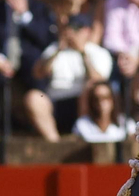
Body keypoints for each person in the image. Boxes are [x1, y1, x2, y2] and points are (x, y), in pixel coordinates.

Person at [28, 11, 110, 139]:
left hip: (83, 103)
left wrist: (82, 53)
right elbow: (38, 73)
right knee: (34, 97)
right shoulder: (54, 48)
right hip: (55, 101)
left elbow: (99, 82)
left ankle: (82, 135)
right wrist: (58, 51)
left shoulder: (97, 53)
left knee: (89, 88)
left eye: (77, 29)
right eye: (70, 28)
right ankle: (54, 142)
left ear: (87, 31)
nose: (73, 33)